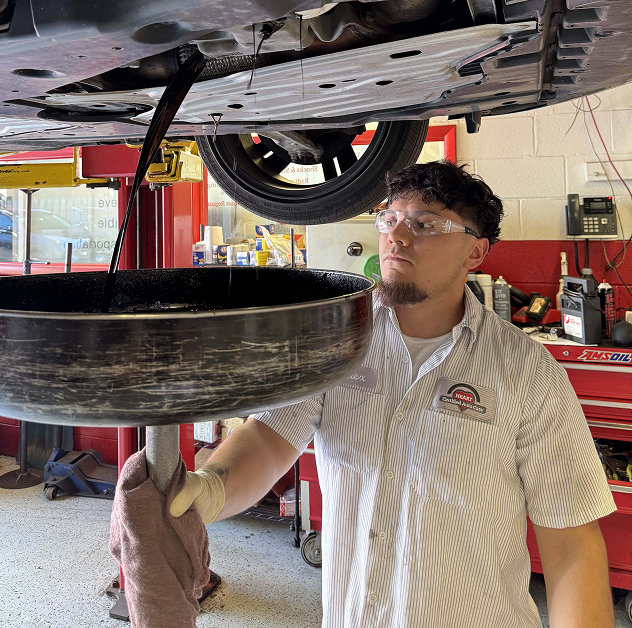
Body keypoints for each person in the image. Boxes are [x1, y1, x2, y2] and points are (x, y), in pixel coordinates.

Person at [171, 161, 616, 628]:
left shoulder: (527, 372)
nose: (396, 236)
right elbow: (268, 438)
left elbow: (571, 543)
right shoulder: (335, 343)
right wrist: (209, 490)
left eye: (424, 224)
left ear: (475, 253)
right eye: (389, 218)